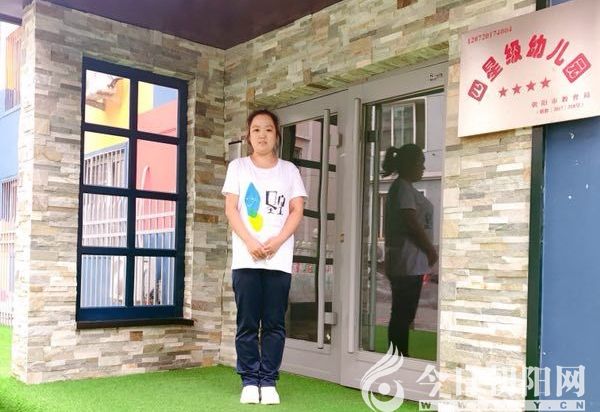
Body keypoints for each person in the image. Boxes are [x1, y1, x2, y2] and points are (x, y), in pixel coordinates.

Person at [222, 109, 307, 405]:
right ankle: (249, 380)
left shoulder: (290, 171)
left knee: (274, 323)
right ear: (248, 136)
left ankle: (268, 380)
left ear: (277, 136)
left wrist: (277, 241)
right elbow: (231, 209)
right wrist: (250, 241)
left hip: (278, 260)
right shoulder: (238, 167)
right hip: (246, 259)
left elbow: (296, 210)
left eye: (268, 129)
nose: (262, 135)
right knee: (247, 322)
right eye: (256, 129)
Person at [382, 144, 438, 357]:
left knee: (404, 313)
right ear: (410, 164)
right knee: (402, 313)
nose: (423, 168)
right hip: (407, 261)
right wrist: (430, 249)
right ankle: (398, 356)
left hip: (411, 261)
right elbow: (410, 222)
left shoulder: (404, 188)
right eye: (420, 163)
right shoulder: (403, 188)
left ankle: (399, 354)